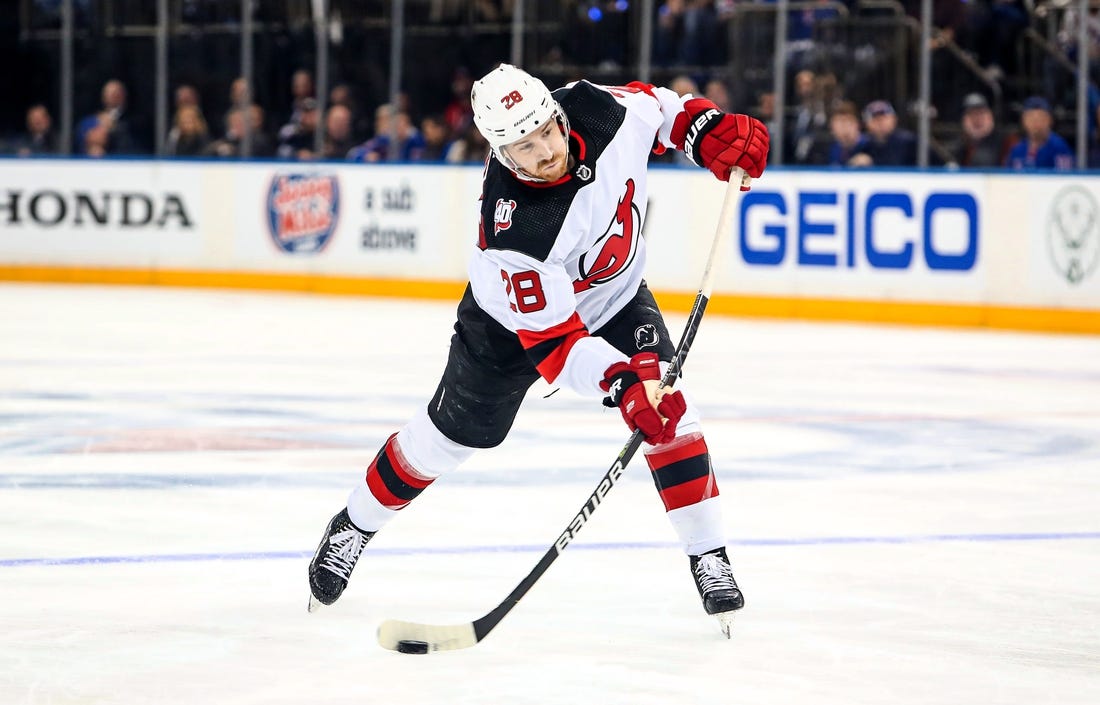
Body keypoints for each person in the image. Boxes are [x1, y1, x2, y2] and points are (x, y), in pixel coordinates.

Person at [307, 63, 769, 632]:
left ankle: (708, 555)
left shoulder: (598, 107)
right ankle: (354, 523)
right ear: (501, 152)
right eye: (523, 147)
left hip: (616, 296)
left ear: (556, 112)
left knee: (673, 414)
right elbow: (557, 349)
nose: (544, 151)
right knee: (446, 440)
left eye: (546, 131)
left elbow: (665, 111)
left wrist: (710, 133)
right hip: (509, 327)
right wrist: (622, 384)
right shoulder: (515, 233)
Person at [1004, 95, 1075, 170]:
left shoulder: (1059, 148)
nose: (1036, 123)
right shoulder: (1017, 150)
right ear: (1023, 121)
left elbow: (1064, 178)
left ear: (1049, 120)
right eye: (1031, 117)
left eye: (1041, 117)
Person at [952, 92, 1014, 168]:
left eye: (981, 114)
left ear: (990, 116)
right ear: (964, 120)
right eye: (971, 115)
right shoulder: (959, 147)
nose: (976, 120)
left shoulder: (1006, 142)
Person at [853, 99, 917, 166]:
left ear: (894, 119)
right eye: (875, 119)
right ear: (866, 124)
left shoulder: (909, 142)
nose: (880, 123)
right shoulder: (862, 144)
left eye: (884, 118)